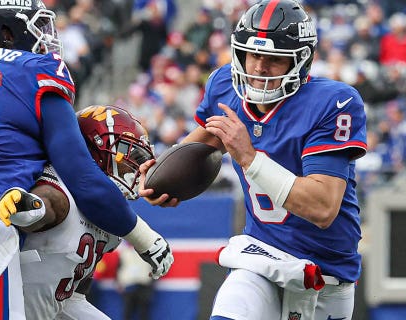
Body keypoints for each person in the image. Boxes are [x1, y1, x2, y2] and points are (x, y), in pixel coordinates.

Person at [0, 0, 172, 318]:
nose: (46, 39)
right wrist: (144, 238)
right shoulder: (34, 72)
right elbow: (82, 179)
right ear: (7, 32)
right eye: (38, 28)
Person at [139, 1, 367, 319]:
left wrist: (249, 156)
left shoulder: (332, 103)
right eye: (253, 54)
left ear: (300, 62)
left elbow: (322, 208)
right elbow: (207, 138)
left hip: (324, 275)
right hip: (260, 257)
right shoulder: (225, 88)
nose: (259, 67)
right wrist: (162, 175)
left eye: (274, 58)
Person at [0, 105, 172, 319]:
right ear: (95, 148)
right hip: (6, 309)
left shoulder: (113, 219)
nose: (133, 166)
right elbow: (51, 203)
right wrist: (31, 206)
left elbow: (75, 293)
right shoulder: (61, 190)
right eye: (127, 152)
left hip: (49, 308)